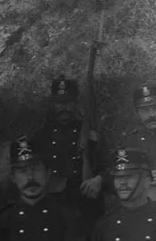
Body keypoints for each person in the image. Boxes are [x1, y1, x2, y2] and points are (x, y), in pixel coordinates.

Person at [32, 76, 104, 222]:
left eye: (68, 102)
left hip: (86, 205)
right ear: (52, 104)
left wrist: (99, 180)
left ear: (76, 103)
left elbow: (107, 164)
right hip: (53, 206)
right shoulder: (42, 136)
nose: (63, 108)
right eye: (59, 103)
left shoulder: (90, 132)